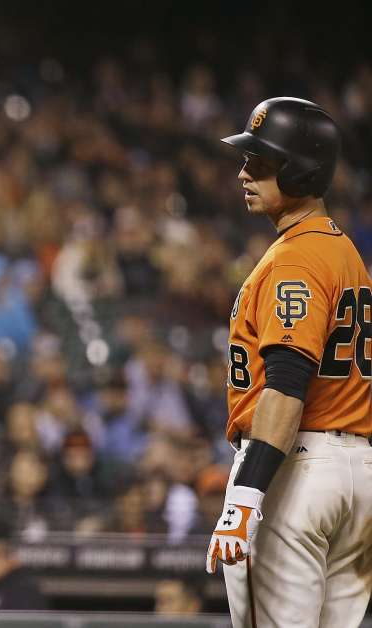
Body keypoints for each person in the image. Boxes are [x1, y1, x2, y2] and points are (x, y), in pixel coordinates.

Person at [205, 98, 372, 628]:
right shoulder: (346, 253)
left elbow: (287, 383)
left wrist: (246, 495)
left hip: (293, 470)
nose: (243, 173)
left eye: (260, 162)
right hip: (356, 475)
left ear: (301, 170)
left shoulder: (296, 257)